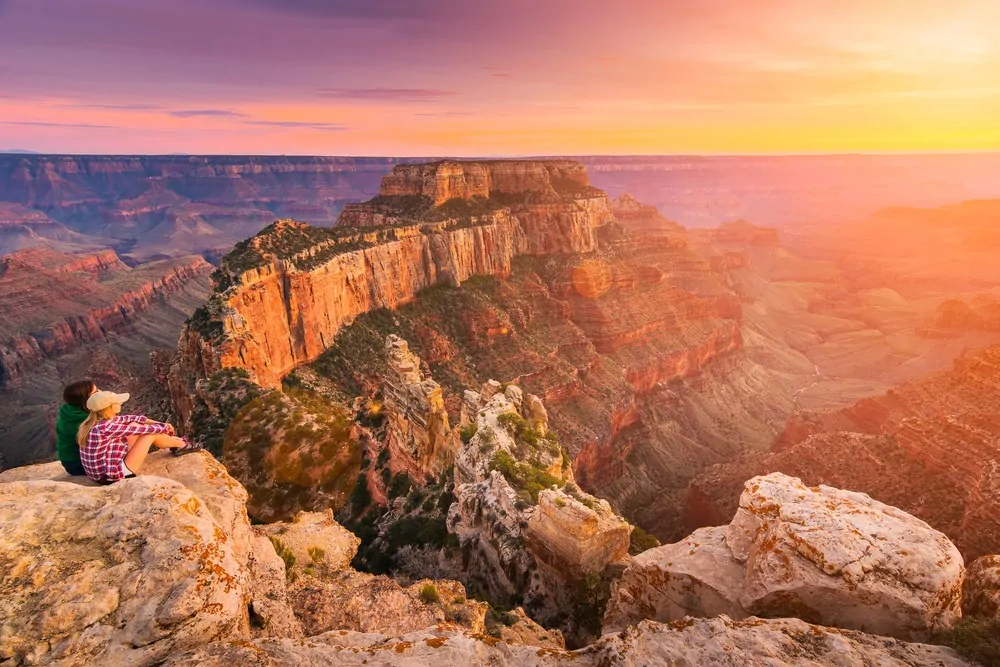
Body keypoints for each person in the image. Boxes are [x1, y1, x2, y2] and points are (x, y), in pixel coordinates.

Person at [77, 390, 202, 484]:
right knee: (149, 434)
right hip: (110, 475)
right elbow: (144, 430)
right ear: (110, 407)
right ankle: (181, 445)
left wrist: (161, 424)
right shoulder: (104, 427)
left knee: (134, 424)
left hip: (104, 468)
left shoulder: (97, 420)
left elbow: (132, 419)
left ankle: (177, 443)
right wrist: (165, 428)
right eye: (117, 402)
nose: (120, 403)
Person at [55, 380, 97, 476]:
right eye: (95, 392)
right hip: (77, 464)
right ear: (85, 399)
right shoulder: (81, 420)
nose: (101, 393)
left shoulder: (69, 411)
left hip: (69, 461)